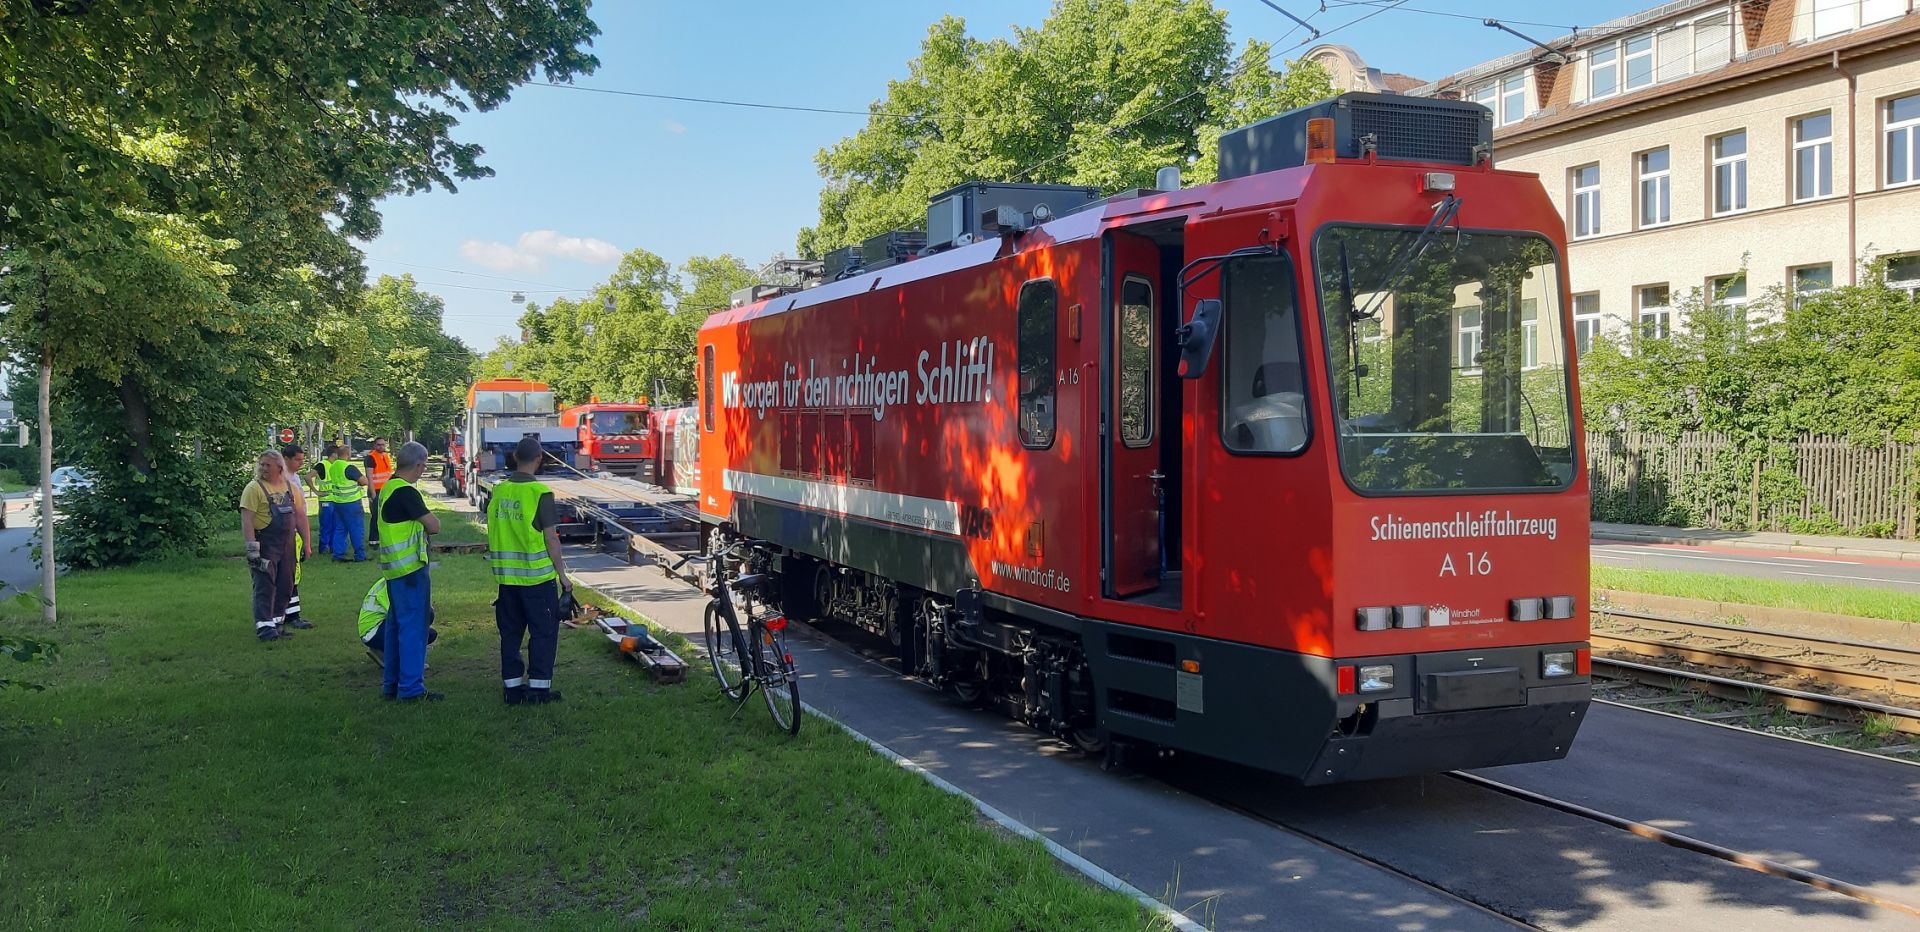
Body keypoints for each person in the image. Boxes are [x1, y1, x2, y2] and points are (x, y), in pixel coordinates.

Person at [489, 435, 573, 705]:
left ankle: (512, 689)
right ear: (539, 459)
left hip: (506, 581)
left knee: (510, 635)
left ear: (514, 458)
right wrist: (563, 577)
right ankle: (538, 690)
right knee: (543, 634)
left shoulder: (499, 491)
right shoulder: (540, 494)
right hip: (537, 581)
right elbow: (551, 539)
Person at [376, 441, 441, 701]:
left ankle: (391, 685)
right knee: (415, 628)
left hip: (394, 572)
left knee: (395, 628)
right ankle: (412, 689)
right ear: (419, 465)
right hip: (410, 571)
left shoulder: (389, 487)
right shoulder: (406, 492)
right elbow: (434, 526)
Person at [240, 449, 314, 642]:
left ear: (279, 468)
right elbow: (247, 520)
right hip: (265, 543)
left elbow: (300, 516)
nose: (263, 468)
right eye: (261, 464)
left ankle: (277, 624)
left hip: (288, 544)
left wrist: (307, 543)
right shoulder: (254, 488)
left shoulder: (290, 487)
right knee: (265, 584)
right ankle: (265, 628)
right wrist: (252, 548)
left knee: (286, 584)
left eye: (268, 465)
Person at [356, 576, 438, 667]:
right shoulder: (390, 586)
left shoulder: (398, 582)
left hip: (377, 628)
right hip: (372, 632)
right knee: (414, 627)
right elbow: (399, 616)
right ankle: (406, 662)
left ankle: (384, 652)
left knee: (429, 632)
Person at [279, 443, 314, 629]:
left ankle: (292, 614)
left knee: (294, 575)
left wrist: (306, 540)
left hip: (296, 532)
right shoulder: (280, 479)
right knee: (285, 575)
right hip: (284, 532)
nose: (301, 463)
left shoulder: (295, 477)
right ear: (286, 458)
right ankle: (284, 615)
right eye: (298, 460)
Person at [325, 443, 369, 562]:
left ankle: (338, 554)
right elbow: (364, 481)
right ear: (348, 454)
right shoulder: (349, 467)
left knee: (340, 529)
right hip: (352, 502)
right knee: (356, 529)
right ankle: (360, 555)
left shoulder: (333, 466)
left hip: (338, 502)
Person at [364, 437, 395, 546]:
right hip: (376, 490)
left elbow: (389, 474)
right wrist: (372, 493)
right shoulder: (370, 458)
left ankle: (384, 538)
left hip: (386, 490)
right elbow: (369, 477)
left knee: (386, 514)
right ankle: (374, 540)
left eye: (383, 444)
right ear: (374, 445)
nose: (381, 447)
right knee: (376, 515)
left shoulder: (386, 456)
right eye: (378, 445)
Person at [311, 445, 338, 567]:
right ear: (333, 454)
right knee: (326, 525)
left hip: (336, 499)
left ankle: (332, 547)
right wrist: (316, 492)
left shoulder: (336, 465)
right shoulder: (323, 464)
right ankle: (323, 548)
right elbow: (308, 476)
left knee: (335, 525)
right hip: (326, 500)